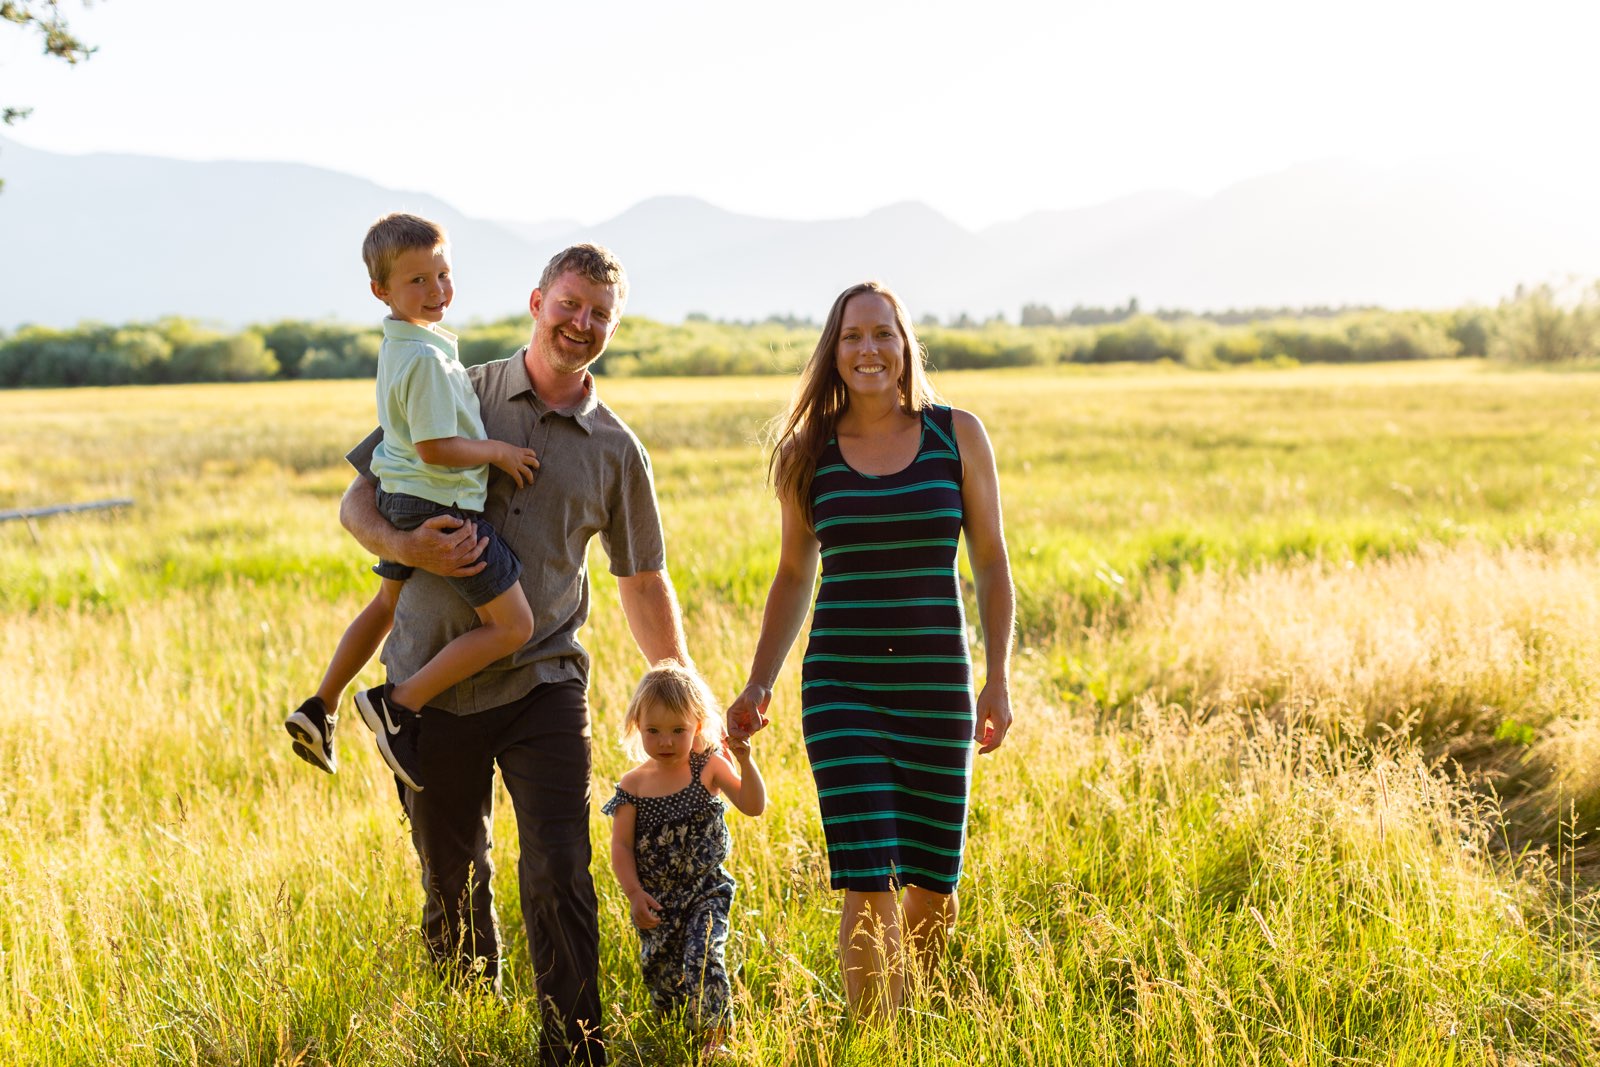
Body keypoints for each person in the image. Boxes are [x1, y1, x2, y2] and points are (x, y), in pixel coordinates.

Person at [338, 243, 690, 1066]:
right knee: (451, 879)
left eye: (599, 314)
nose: (581, 323)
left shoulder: (615, 449)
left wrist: (684, 697)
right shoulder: (460, 386)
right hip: (431, 682)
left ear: (610, 327)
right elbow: (359, 496)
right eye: (569, 304)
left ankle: (575, 1050)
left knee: (561, 867)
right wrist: (403, 543)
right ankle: (465, 1037)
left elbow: (642, 579)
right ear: (537, 301)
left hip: (544, 681)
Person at [726, 281, 1015, 1018]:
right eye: (853, 337)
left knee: (932, 881)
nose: (869, 350)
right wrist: (760, 682)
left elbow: (990, 561)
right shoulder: (808, 450)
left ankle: (912, 1012)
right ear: (834, 350)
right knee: (868, 872)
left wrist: (998, 679)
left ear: (905, 344)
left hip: (938, 686)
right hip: (841, 686)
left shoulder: (958, 434)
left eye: (883, 334)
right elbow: (795, 572)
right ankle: (872, 1037)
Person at [286, 213, 538, 790]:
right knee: (514, 625)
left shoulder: (406, 347)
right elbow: (432, 447)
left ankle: (320, 706)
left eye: (443, 274)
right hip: (440, 508)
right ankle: (398, 705)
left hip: (404, 502)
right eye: (417, 281)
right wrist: (496, 450)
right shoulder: (425, 360)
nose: (437, 290)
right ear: (381, 291)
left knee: (385, 606)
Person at [601, 664, 766, 1058]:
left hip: (706, 888)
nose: (666, 741)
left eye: (678, 730)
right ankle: (676, 1031)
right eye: (653, 731)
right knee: (666, 974)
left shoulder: (706, 766)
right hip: (658, 898)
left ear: (697, 725)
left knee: (704, 953)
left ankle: (715, 1039)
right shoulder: (632, 786)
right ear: (637, 725)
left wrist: (745, 761)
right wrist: (634, 893)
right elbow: (621, 848)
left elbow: (752, 805)